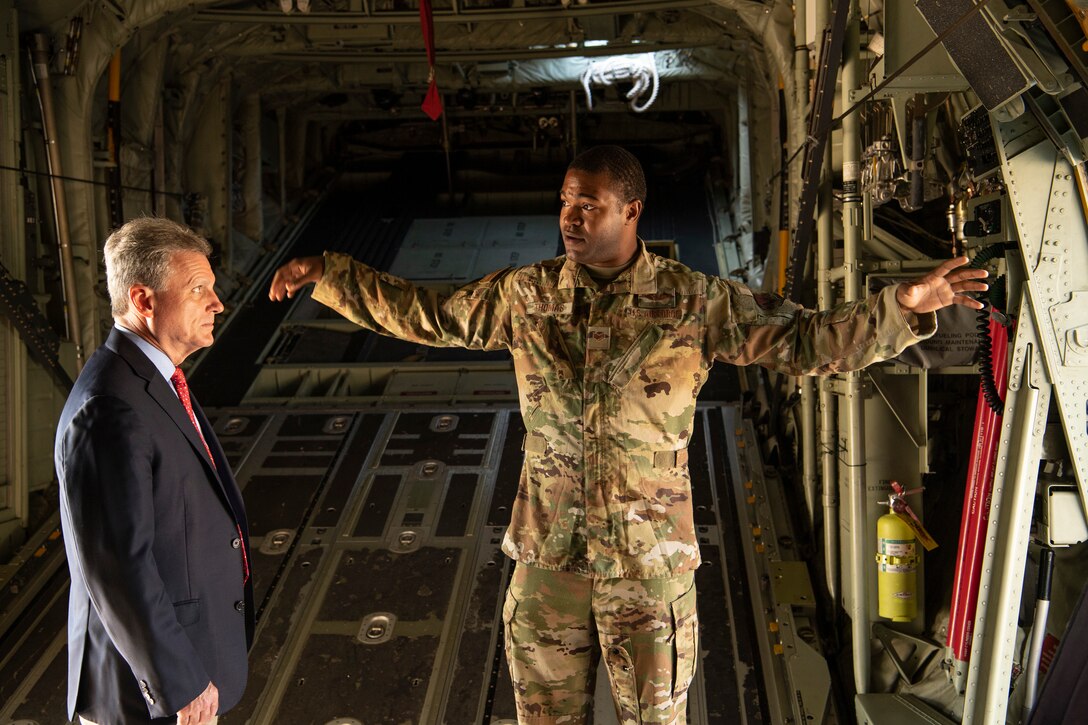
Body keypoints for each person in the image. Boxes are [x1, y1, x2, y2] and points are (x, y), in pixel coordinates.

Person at [268, 146, 987, 724]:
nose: (570, 217)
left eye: (589, 204)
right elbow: (426, 314)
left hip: (650, 570)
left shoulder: (694, 301)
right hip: (549, 562)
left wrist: (901, 307)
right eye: (564, 202)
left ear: (631, 210)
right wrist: (328, 275)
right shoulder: (528, 296)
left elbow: (806, 341)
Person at [55, 217, 253, 725]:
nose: (218, 303)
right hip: (147, 696)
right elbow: (118, 564)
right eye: (199, 290)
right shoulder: (109, 406)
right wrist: (178, 681)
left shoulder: (152, 381)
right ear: (144, 301)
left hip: (181, 674)